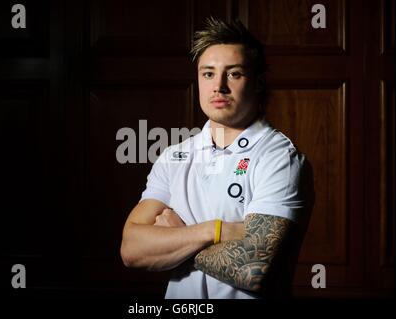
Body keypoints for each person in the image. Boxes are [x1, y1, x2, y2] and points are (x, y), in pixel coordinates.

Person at [120, 17, 314, 299]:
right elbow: (131, 248)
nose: (219, 86)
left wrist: (176, 239)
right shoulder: (174, 156)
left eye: (234, 73)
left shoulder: (279, 159)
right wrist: (215, 230)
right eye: (208, 73)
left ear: (258, 82)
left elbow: (254, 268)